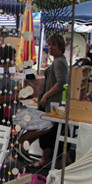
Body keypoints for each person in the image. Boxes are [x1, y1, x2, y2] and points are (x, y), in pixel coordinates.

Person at [29, 34, 70, 168]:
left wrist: (46, 95)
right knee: (57, 131)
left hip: (53, 104)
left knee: (48, 130)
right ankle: (57, 160)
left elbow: (61, 82)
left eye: (53, 45)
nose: (50, 48)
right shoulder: (59, 61)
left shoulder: (59, 62)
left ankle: (46, 159)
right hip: (53, 103)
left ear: (60, 46)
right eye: (49, 45)